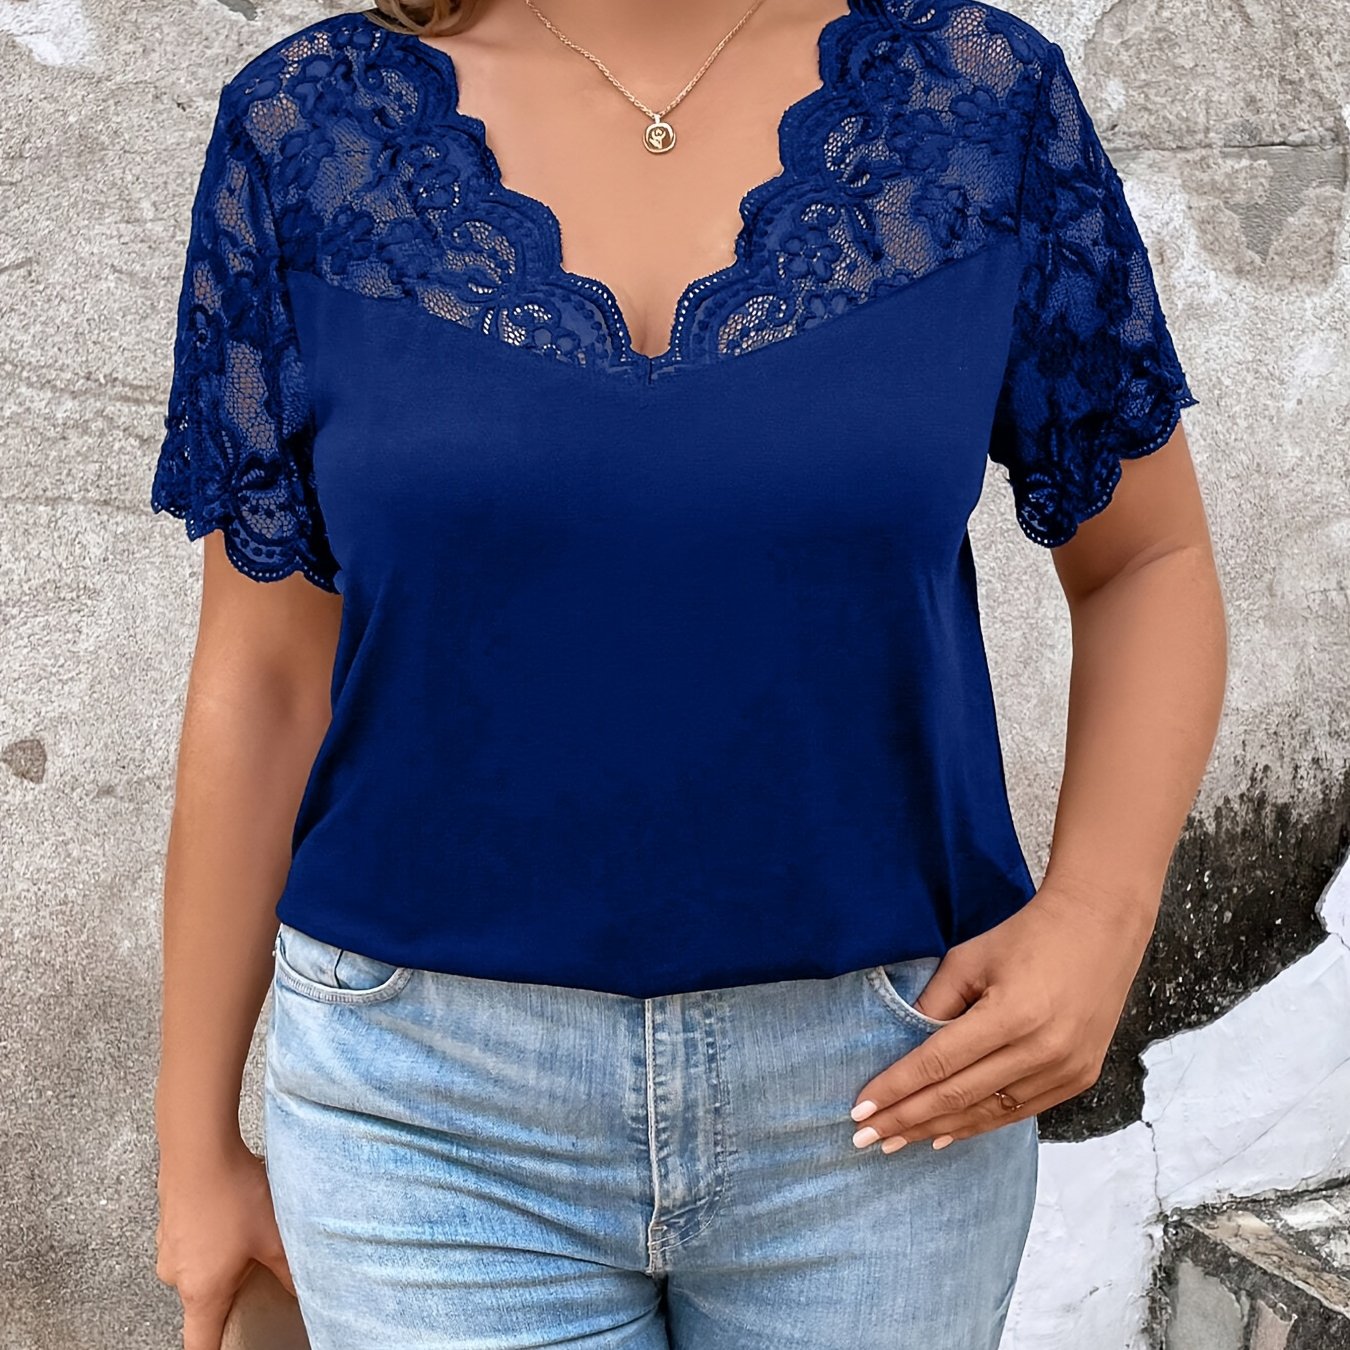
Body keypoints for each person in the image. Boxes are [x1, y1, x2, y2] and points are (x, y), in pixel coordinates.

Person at [149, 1, 1227, 1347]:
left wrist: (1098, 916)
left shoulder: (974, 107)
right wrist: (195, 1150)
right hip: (426, 1117)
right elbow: (264, 675)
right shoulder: (310, 129)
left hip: (892, 1092)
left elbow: (1146, 561)